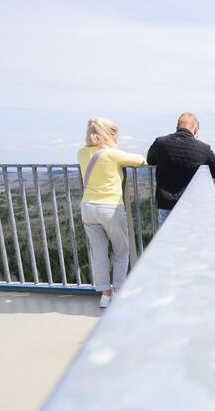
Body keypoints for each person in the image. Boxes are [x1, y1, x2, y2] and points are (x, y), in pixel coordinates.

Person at [78, 118, 146, 308]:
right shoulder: (111, 154)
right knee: (121, 251)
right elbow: (139, 160)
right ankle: (118, 290)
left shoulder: (81, 153)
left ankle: (105, 295)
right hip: (110, 207)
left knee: (98, 253)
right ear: (108, 135)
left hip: (88, 207)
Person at [147, 112, 215, 225]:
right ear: (196, 130)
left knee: (167, 241)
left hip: (167, 205)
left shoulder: (160, 143)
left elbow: (150, 160)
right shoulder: (203, 148)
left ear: (177, 127)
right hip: (192, 207)